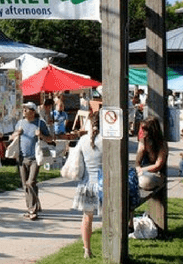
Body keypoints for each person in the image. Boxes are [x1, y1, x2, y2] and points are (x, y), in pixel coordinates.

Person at [9, 101, 53, 220]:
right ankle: (33, 206)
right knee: (25, 185)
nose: (24, 111)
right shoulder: (20, 123)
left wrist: (41, 135)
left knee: (30, 183)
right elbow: (11, 137)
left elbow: (50, 139)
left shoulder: (40, 124)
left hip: (35, 159)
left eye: (26, 109)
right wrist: (16, 134)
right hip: (22, 159)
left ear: (33, 112)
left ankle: (32, 210)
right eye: (23, 109)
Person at [72, 110, 102, 259]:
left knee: (86, 219)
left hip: (87, 183)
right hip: (104, 184)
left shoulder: (83, 140)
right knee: (110, 218)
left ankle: (87, 250)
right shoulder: (107, 140)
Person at [135, 116, 168, 192]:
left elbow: (158, 165)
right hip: (142, 172)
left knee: (145, 181)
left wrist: (141, 170)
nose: (142, 132)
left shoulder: (162, 144)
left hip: (156, 174)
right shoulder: (144, 140)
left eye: (144, 129)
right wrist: (137, 166)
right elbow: (139, 154)